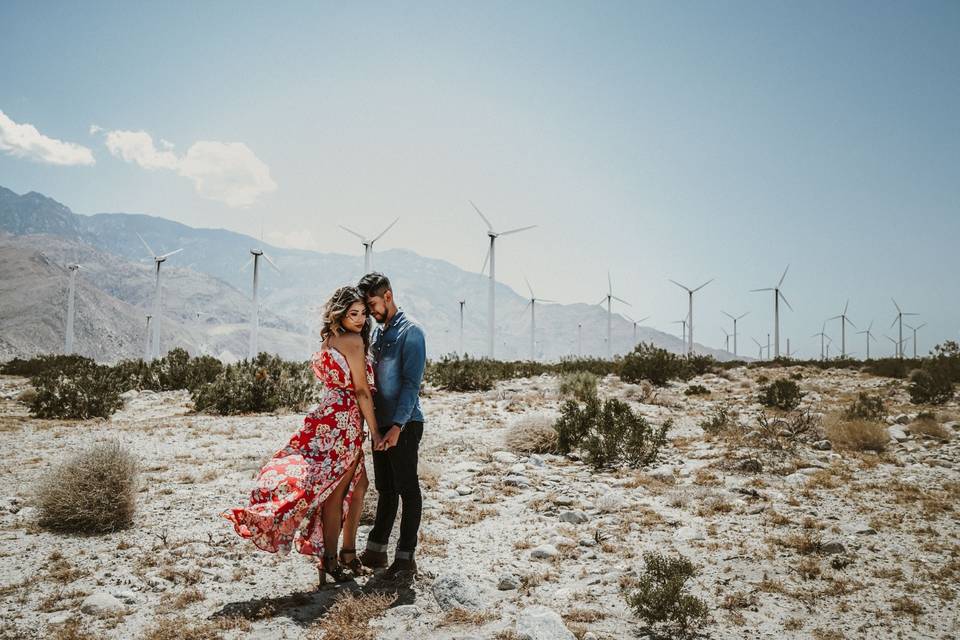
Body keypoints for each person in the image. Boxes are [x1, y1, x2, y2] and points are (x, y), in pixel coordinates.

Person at [221, 286, 384, 587]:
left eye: (363, 314)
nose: (361, 320)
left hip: (327, 415)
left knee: (359, 485)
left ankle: (346, 554)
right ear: (341, 314)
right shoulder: (353, 342)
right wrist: (375, 430)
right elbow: (361, 390)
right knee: (335, 493)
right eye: (354, 314)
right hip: (345, 421)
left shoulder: (330, 339)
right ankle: (333, 560)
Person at [356, 272, 427, 578]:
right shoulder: (378, 335)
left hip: (405, 423)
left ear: (388, 296)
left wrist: (397, 426)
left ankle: (406, 557)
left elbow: (412, 384)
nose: (370, 311)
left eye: (372, 304)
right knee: (385, 489)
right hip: (381, 424)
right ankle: (375, 552)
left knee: (407, 489)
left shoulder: (411, 332)